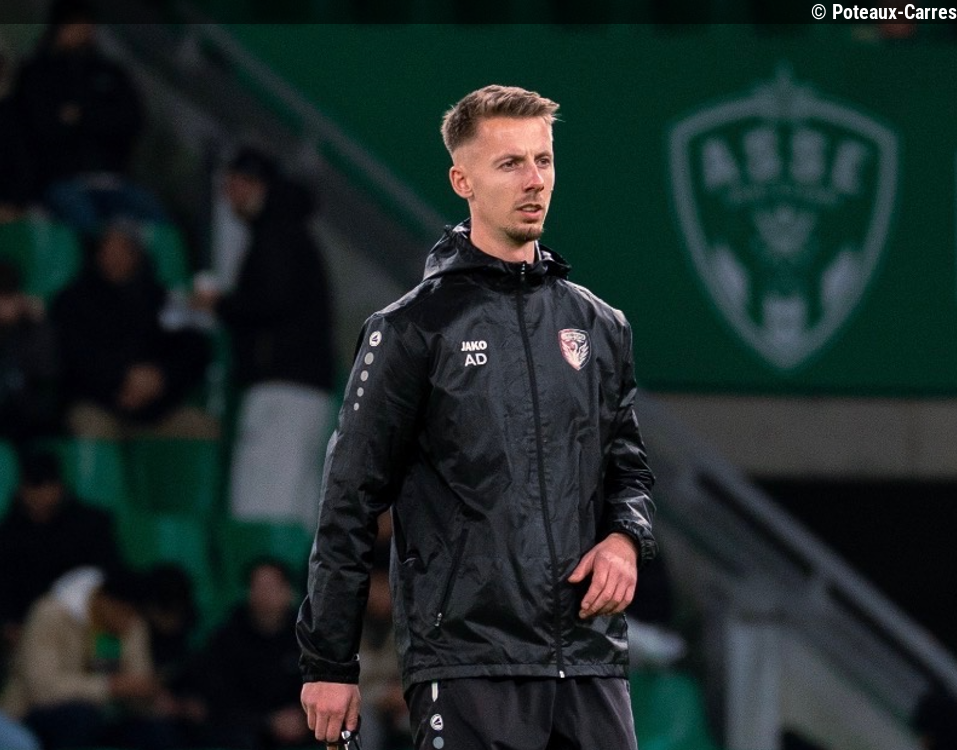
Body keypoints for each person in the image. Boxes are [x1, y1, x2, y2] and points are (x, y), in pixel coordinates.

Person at [297, 85, 657, 750]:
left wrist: (624, 540)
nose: (533, 180)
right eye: (509, 164)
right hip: (466, 662)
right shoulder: (410, 330)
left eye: (542, 160)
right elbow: (348, 499)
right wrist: (329, 663)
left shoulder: (599, 325)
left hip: (588, 661)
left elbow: (626, 468)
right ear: (462, 181)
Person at [191, 146, 336, 530]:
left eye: (237, 183)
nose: (230, 195)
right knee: (295, 511)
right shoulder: (288, 232)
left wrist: (221, 305)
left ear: (257, 185)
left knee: (264, 510)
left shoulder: (276, 235)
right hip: (302, 388)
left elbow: (272, 300)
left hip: (281, 388)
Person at [13, 0, 167, 236]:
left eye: (87, 23)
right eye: (76, 24)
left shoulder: (109, 72)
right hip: (60, 182)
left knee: (161, 226)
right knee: (90, 229)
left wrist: (81, 117)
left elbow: (132, 120)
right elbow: (39, 128)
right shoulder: (37, 73)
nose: (84, 30)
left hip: (113, 180)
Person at [51, 220, 217, 439]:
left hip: (156, 408)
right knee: (93, 433)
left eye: (123, 248)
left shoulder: (160, 299)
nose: (114, 256)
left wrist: (161, 377)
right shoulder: (73, 301)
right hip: (97, 404)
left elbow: (193, 350)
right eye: (107, 248)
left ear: (137, 254)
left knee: (205, 430)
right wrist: (124, 379)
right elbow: (75, 358)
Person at [0, 566, 176, 750]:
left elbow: (136, 682)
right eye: (124, 613)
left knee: (156, 731)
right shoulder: (50, 614)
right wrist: (111, 686)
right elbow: (43, 690)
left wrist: (148, 693)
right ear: (103, 600)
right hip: (33, 715)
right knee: (80, 717)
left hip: (105, 715)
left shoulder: (130, 624)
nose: (128, 624)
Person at [0, 449, 122, 651]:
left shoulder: (91, 525)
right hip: (27, 632)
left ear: (59, 487)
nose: (39, 496)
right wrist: (8, 623)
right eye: (33, 488)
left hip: (84, 625)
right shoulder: (10, 533)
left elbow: (109, 577)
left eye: (46, 486)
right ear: (21, 490)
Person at [191, 558, 311, 750]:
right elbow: (218, 699)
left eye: (271, 587)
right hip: (246, 733)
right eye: (257, 586)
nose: (264, 595)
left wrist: (303, 718)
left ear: (288, 591)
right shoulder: (227, 638)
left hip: (303, 727)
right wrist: (267, 721)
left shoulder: (308, 637)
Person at [0, 260, 61, 442]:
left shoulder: (31, 329)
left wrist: (39, 325)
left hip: (26, 425)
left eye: (7, 297)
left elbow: (47, 374)